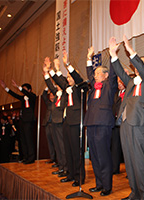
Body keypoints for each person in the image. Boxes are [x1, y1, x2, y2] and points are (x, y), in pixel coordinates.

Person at [109, 35, 144, 200]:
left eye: (142, 64)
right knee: (130, 162)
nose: (137, 67)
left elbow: (143, 71)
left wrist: (131, 52)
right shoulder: (131, 82)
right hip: (125, 124)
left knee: (140, 162)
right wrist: (113, 55)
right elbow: (118, 71)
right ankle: (135, 193)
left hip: (140, 124)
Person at [47, 51, 87, 187]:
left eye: (70, 77)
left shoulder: (81, 88)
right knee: (68, 150)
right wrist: (52, 71)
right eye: (68, 77)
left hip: (76, 122)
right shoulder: (67, 89)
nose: (68, 79)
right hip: (66, 122)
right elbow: (59, 81)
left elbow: (78, 79)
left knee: (76, 151)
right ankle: (70, 174)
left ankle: (79, 177)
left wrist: (68, 65)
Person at [84, 46, 118, 196]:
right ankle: (99, 184)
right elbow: (89, 74)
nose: (95, 75)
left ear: (105, 75)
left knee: (103, 155)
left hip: (103, 123)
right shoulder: (94, 87)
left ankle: (107, 186)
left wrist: (112, 55)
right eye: (95, 73)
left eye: (98, 73)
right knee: (95, 156)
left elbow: (114, 73)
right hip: (90, 123)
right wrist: (88, 58)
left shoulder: (109, 85)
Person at [0, 79, 36, 164]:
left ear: (29, 90)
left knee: (28, 139)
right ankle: (25, 157)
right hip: (22, 120)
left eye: (25, 89)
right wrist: (6, 88)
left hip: (29, 121)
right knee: (23, 140)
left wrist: (18, 87)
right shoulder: (23, 98)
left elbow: (27, 94)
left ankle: (31, 158)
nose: (23, 91)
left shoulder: (32, 96)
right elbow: (15, 95)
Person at [43, 58, 68, 178]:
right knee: (57, 146)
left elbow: (61, 83)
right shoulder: (57, 94)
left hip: (61, 123)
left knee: (62, 146)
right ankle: (61, 166)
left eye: (58, 83)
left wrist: (54, 70)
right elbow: (49, 85)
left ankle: (66, 168)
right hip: (53, 122)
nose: (56, 86)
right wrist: (46, 74)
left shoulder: (65, 93)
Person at [111, 77, 126, 175]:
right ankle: (115, 168)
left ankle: (130, 172)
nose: (119, 84)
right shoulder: (116, 94)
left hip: (125, 123)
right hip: (116, 123)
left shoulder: (128, 93)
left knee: (126, 147)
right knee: (115, 147)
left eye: (121, 82)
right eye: (118, 83)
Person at [41, 90, 57, 164]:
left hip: (55, 125)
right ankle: (52, 158)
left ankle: (57, 159)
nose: (51, 97)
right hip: (47, 124)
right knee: (49, 142)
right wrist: (46, 88)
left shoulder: (57, 103)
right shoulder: (48, 103)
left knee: (56, 142)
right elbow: (44, 96)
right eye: (50, 96)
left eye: (53, 95)